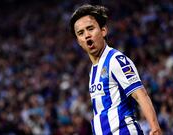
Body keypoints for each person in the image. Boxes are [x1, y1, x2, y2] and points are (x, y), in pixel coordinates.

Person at [69, 4, 162, 135]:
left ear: (103, 31)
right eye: (81, 33)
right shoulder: (93, 70)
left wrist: (155, 128)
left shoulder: (116, 60)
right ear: (78, 41)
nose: (87, 35)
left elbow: (141, 95)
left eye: (90, 28)